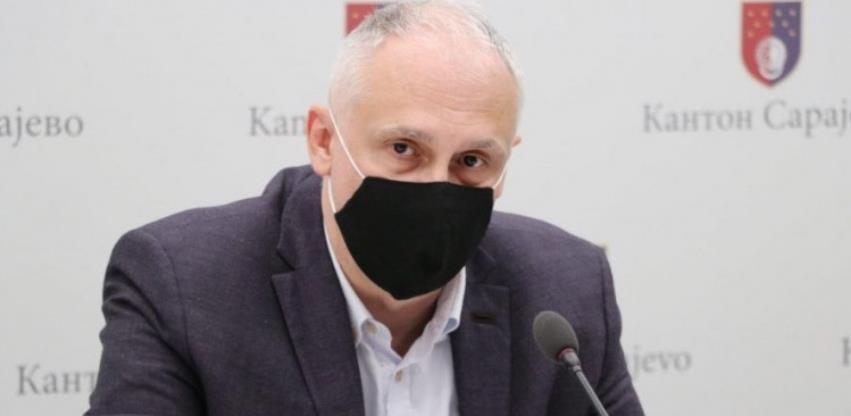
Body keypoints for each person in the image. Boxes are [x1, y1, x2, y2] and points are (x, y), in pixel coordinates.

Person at [86, 1, 643, 415]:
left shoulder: (566, 292)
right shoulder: (185, 287)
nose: (436, 186)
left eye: (472, 160)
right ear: (324, 141)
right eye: (404, 149)